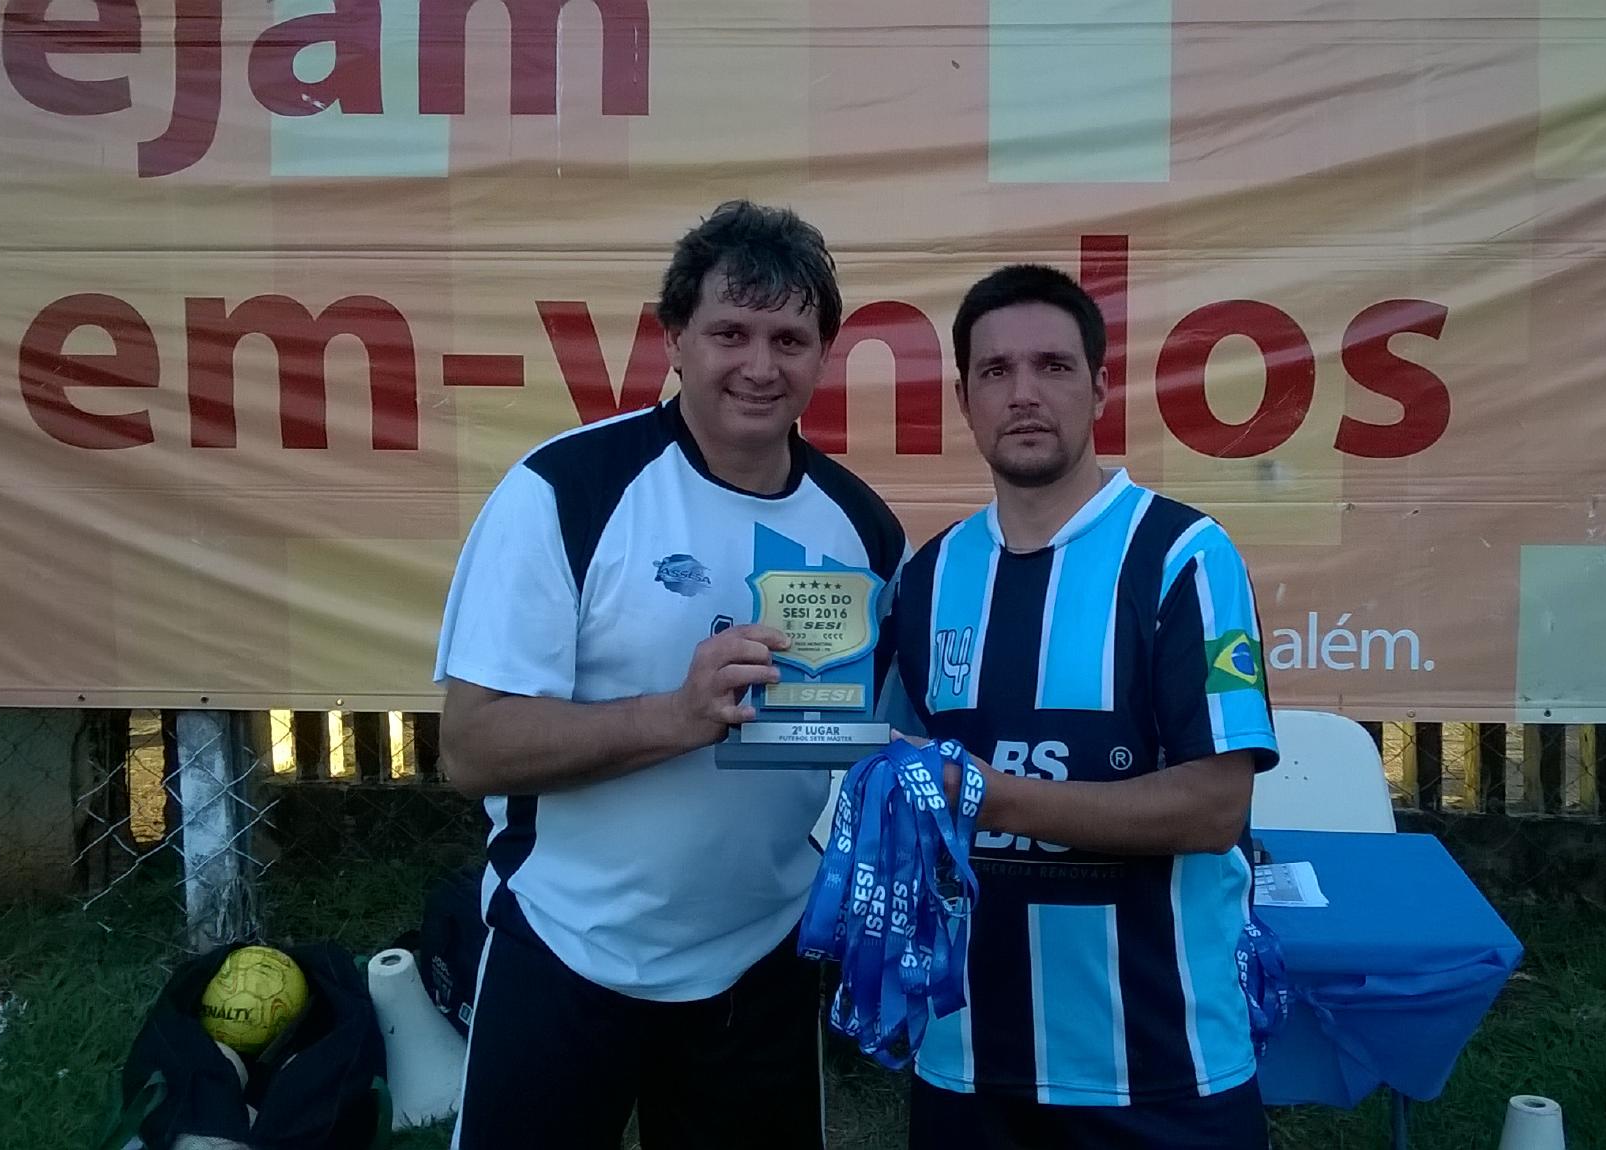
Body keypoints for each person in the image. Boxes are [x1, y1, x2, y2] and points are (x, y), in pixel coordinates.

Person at [431, 200, 905, 1150]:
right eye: (731, 333)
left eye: (789, 339)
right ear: (674, 338)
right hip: (566, 946)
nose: (760, 366)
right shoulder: (566, 491)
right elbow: (472, 749)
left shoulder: (861, 528)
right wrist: (676, 715)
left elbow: (861, 747)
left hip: (758, 963)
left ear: (824, 355)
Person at [887, 264, 1280, 1148]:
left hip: (1161, 1064)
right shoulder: (927, 576)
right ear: (964, 399)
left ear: (1100, 388)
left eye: (1053, 366)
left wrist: (995, 797)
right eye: (996, 371)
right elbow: (900, 790)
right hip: (965, 1059)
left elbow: (1216, 807)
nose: (1024, 393)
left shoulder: (1185, 556)